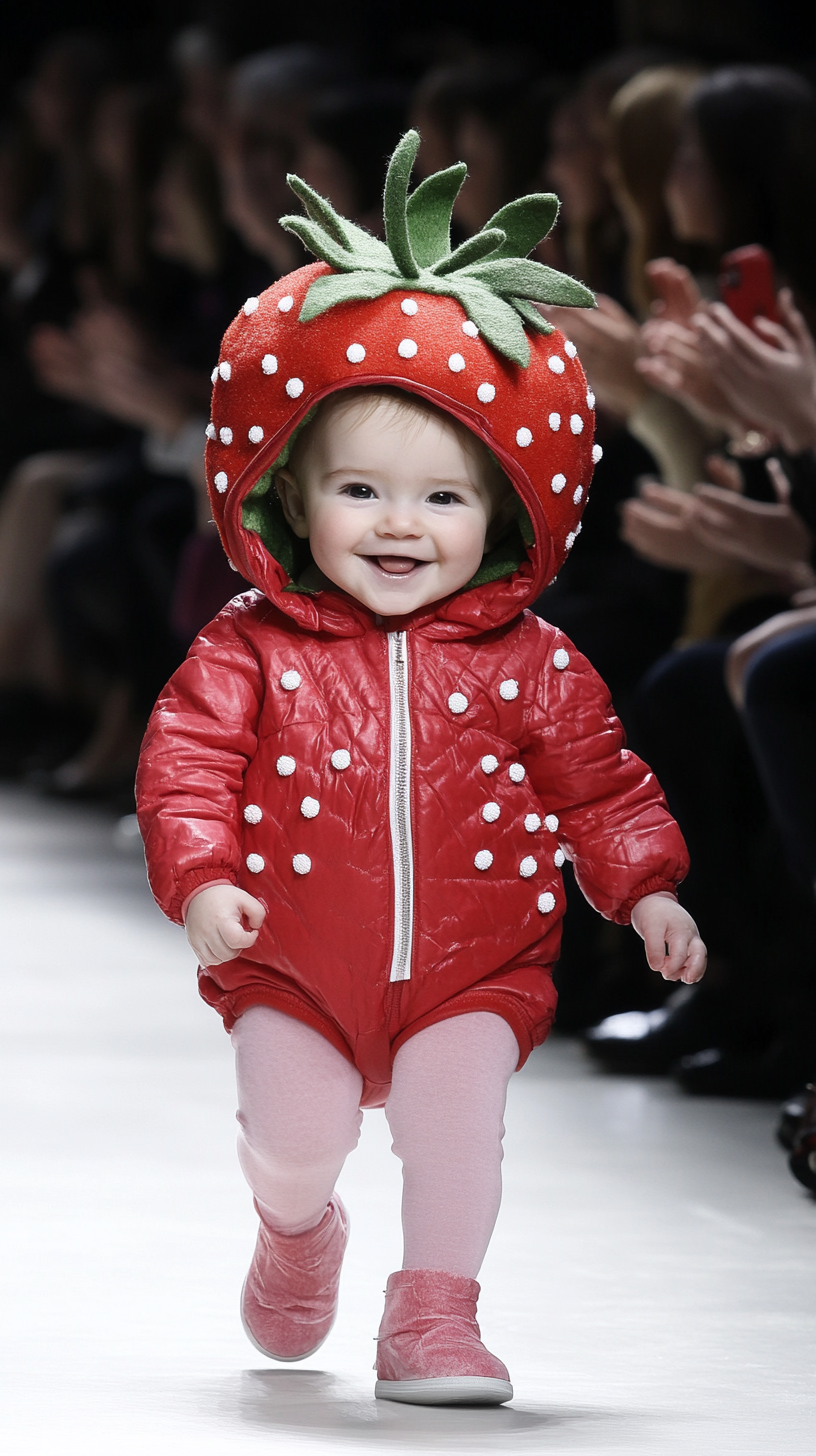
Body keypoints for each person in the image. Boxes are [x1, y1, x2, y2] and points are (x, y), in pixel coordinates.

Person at [136, 135, 704, 1404]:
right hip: (289, 953)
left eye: (444, 500)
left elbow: (600, 784)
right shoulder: (253, 644)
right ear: (290, 493)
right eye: (361, 489)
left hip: (474, 959)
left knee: (458, 1137)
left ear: (507, 515)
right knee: (297, 1141)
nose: (401, 524)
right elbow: (184, 761)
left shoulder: (534, 659)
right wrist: (201, 878)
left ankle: (434, 1319)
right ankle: (298, 1230)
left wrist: (646, 886)